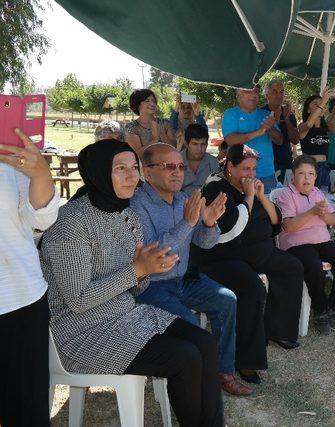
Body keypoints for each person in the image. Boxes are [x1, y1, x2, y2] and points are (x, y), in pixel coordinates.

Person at [39, 139, 224, 426]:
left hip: (126, 315)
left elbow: (136, 287)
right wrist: (137, 270)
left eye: (133, 168)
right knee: (185, 357)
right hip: (81, 332)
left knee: (205, 343)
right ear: (99, 172)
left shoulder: (126, 215)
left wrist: (146, 270)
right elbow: (78, 300)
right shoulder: (70, 224)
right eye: (120, 169)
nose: (131, 176)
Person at [130, 143, 251, 396]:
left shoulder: (185, 199)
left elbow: (205, 243)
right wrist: (188, 223)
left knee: (226, 300)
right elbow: (153, 253)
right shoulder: (136, 206)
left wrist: (208, 223)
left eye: (180, 167)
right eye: (168, 166)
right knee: (191, 328)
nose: (177, 172)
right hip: (151, 285)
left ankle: (223, 372)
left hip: (184, 279)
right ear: (147, 172)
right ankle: (201, 382)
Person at [190, 144, 303, 385]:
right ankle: (245, 360)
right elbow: (231, 229)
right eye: (245, 168)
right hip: (224, 257)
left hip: (259, 251)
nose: (250, 174)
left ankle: (277, 330)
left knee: (292, 267)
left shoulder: (250, 186)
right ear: (229, 166)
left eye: (253, 168)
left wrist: (260, 196)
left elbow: (276, 223)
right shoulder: (216, 189)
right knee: (252, 288)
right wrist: (250, 197)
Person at [0, 129, 59, 426]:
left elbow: (43, 218)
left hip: (20, 299)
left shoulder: (9, 150)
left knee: (26, 410)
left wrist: (40, 174)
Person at [275, 155, 335, 335]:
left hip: (322, 240)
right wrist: (312, 212)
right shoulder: (285, 195)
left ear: (316, 177)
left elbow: (334, 220)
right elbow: (288, 226)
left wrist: (323, 215)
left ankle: (332, 307)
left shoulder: (318, 193)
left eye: (311, 173)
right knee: (313, 266)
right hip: (297, 244)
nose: (306, 178)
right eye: (301, 173)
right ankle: (320, 309)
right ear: (293, 177)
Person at [222, 85, 280, 193]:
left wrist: (271, 128)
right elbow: (231, 140)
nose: (253, 95)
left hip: (266, 174)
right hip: (240, 175)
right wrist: (259, 132)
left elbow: (279, 140)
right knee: (242, 208)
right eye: (248, 91)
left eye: (256, 92)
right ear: (238, 95)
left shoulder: (266, 115)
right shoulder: (230, 114)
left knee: (267, 208)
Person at [298, 89, 335, 191]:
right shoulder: (302, 126)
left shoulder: (327, 127)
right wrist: (324, 101)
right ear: (308, 110)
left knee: (323, 198)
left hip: (324, 168)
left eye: (321, 104)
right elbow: (309, 124)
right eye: (315, 104)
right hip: (308, 169)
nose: (320, 105)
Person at [262, 80, 300, 183]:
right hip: (266, 164)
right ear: (267, 95)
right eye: (274, 92)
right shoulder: (261, 113)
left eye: (281, 91)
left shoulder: (289, 114)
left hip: (286, 162)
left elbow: (295, 140)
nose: (279, 95)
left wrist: (287, 117)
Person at [125, 89, 176, 156]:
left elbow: (175, 148)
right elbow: (137, 155)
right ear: (137, 104)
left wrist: (162, 135)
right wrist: (155, 139)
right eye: (147, 101)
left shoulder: (165, 123)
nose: (152, 104)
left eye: (154, 101)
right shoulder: (132, 127)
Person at [181, 124, 220, 194]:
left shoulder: (212, 161)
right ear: (186, 144)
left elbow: (217, 188)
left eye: (203, 144)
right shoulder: (176, 160)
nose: (200, 149)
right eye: (195, 144)